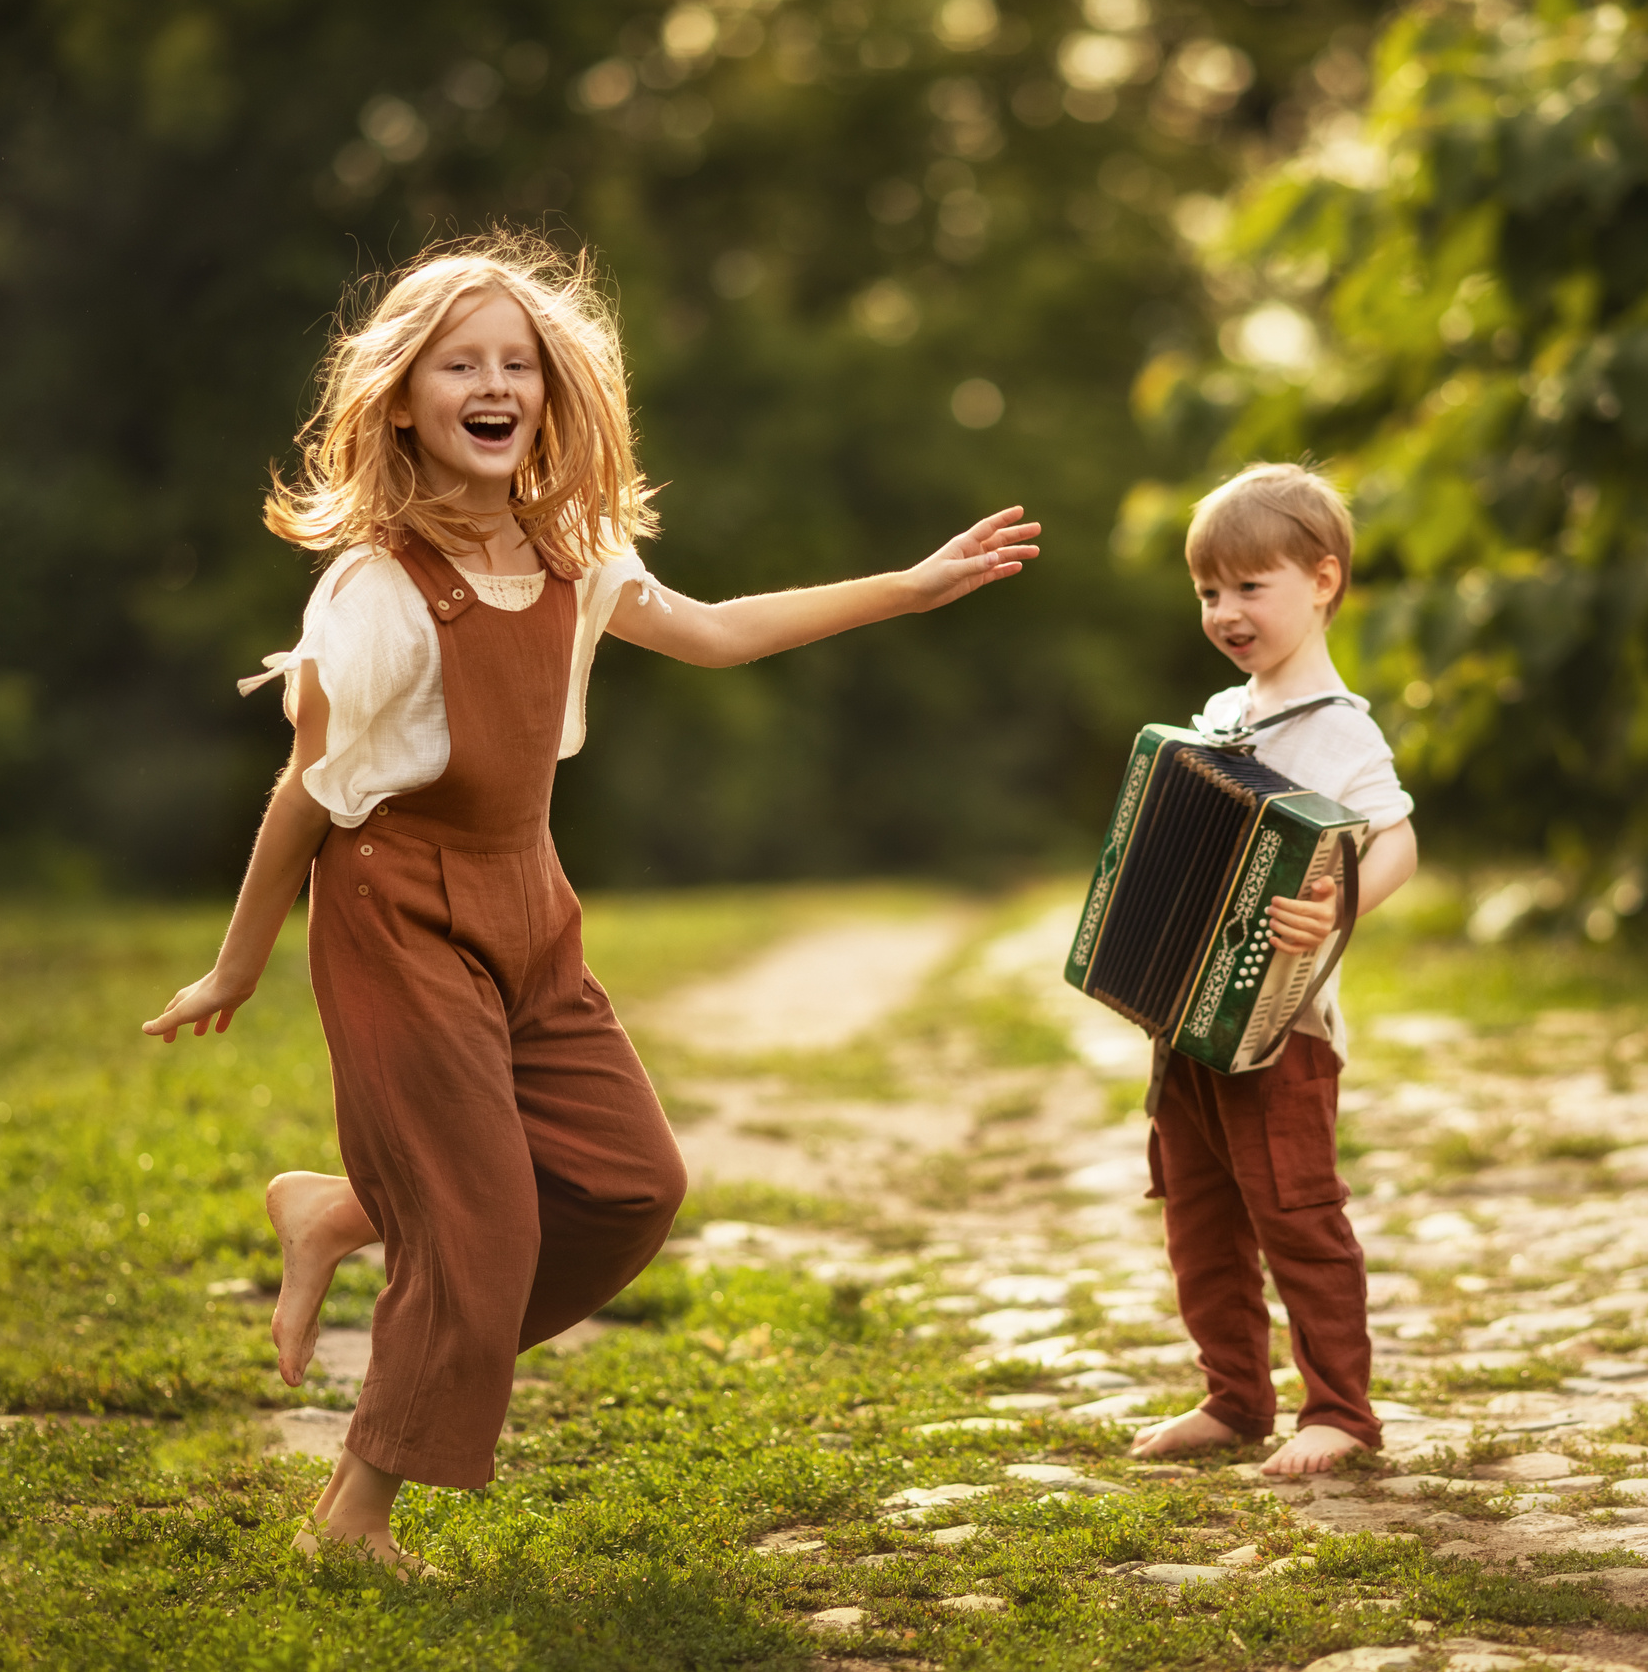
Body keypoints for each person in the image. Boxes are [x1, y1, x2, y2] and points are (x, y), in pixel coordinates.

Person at [140, 232, 1038, 1576]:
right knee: (488, 1220)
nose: (494, 382)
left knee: (631, 1187)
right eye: (461, 362)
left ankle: (350, 1208)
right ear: (403, 398)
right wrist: (236, 966)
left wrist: (908, 586)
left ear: (550, 397)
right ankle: (355, 1512)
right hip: (395, 908)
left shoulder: (576, 553)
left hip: (527, 893)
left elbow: (722, 626)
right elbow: (304, 794)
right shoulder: (376, 591)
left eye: (519, 362)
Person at [1124, 462, 1419, 1477]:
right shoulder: (1219, 715)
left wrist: (1342, 901)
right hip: (1187, 1021)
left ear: (1323, 580)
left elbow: (1397, 839)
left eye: (1251, 587)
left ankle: (1340, 1410)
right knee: (1199, 1220)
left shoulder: (1339, 726)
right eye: (1210, 591)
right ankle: (1233, 1397)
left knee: (1296, 1215)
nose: (1225, 610)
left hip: (1281, 1028)